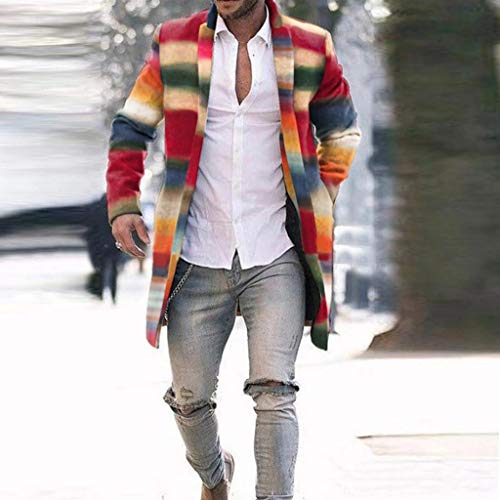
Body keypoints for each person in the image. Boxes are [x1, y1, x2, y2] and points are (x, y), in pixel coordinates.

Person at [105, 0, 361, 498]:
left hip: (275, 252)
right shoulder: (175, 43)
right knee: (190, 398)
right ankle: (214, 475)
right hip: (197, 253)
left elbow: (342, 130)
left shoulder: (310, 48)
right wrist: (123, 203)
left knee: (275, 391)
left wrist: (321, 192)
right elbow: (131, 126)